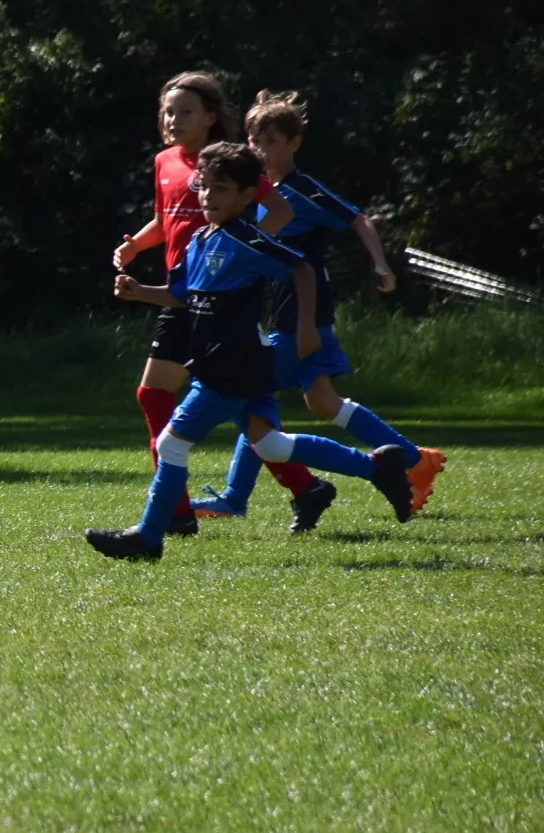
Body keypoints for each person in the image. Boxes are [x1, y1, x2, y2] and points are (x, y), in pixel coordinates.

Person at [88, 143, 416, 561]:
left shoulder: (246, 239)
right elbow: (181, 295)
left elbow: (301, 268)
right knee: (272, 446)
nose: (208, 196)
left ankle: (148, 540)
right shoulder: (200, 240)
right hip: (239, 362)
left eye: (221, 189)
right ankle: (377, 468)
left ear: (247, 196)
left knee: (171, 444)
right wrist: (140, 292)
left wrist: (305, 327)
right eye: (205, 187)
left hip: (232, 364)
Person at [193, 91, 445, 522]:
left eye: (271, 140)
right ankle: (412, 459)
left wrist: (380, 262)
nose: (260, 148)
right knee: (323, 402)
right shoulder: (254, 195)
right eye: (254, 139)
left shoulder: (300, 191)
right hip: (288, 308)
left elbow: (357, 219)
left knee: (255, 397)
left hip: (299, 310)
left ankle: (236, 497)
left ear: (294, 143)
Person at [110, 72, 325, 533]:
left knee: (164, 396)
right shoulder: (165, 161)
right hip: (182, 294)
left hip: (216, 300)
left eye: (185, 111)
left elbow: (280, 210)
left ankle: (176, 512)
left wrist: (239, 253)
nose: (173, 119)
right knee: (232, 407)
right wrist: (135, 248)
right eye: (167, 111)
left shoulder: (226, 164)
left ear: (210, 117)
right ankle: (306, 487)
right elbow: (164, 221)